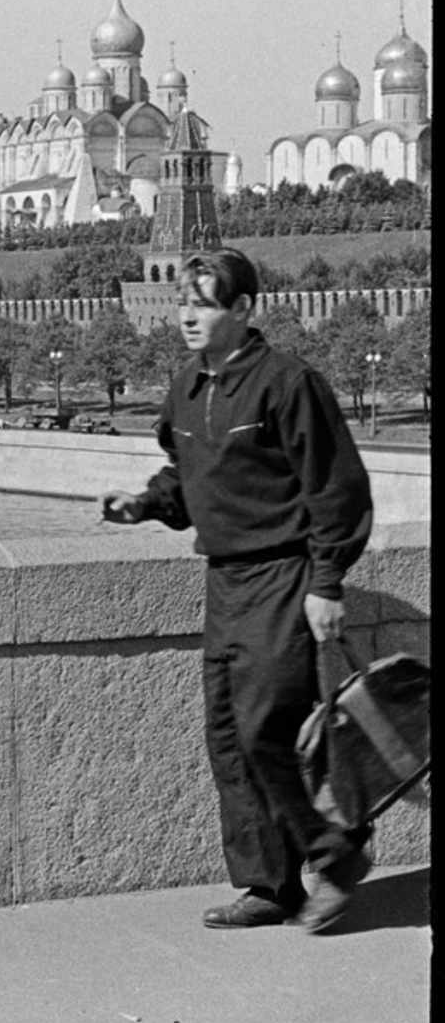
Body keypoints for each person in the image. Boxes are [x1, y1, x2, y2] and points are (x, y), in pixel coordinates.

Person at [99, 248, 375, 935]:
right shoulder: (187, 382)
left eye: (205, 303)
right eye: (182, 303)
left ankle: (333, 854)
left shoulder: (287, 383)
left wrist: (325, 581)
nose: (187, 316)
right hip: (223, 578)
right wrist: (144, 504)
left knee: (265, 727)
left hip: (282, 576)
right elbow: (185, 473)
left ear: (243, 309)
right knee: (226, 735)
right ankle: (268, 885)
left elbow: (337, 490)